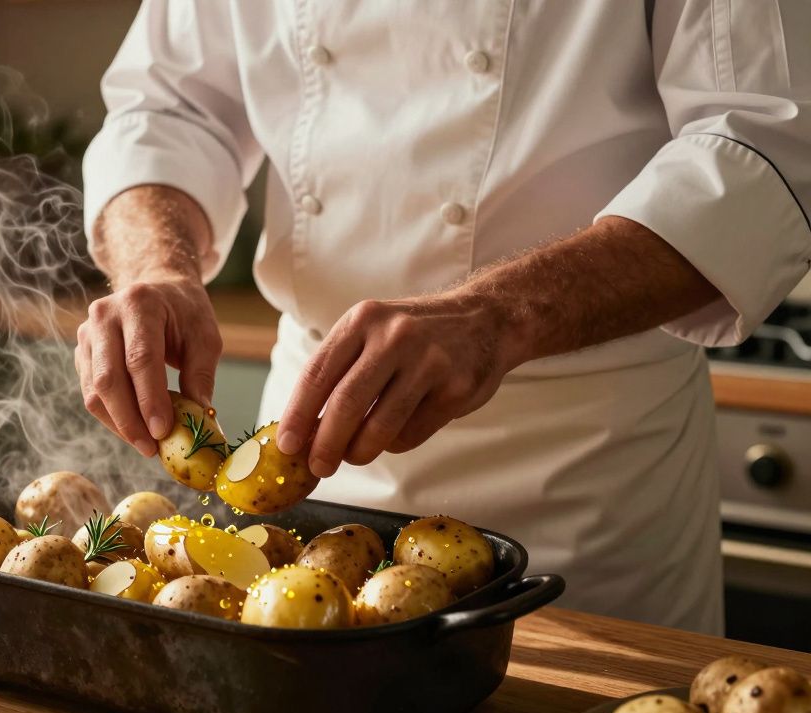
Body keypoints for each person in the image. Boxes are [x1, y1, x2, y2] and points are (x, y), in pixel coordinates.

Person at [73, 1, 811, 634]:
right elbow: (168, 108)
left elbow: (761, 145)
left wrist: (496, 315)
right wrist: (156, 267)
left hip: (588, 480)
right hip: (314, 472)